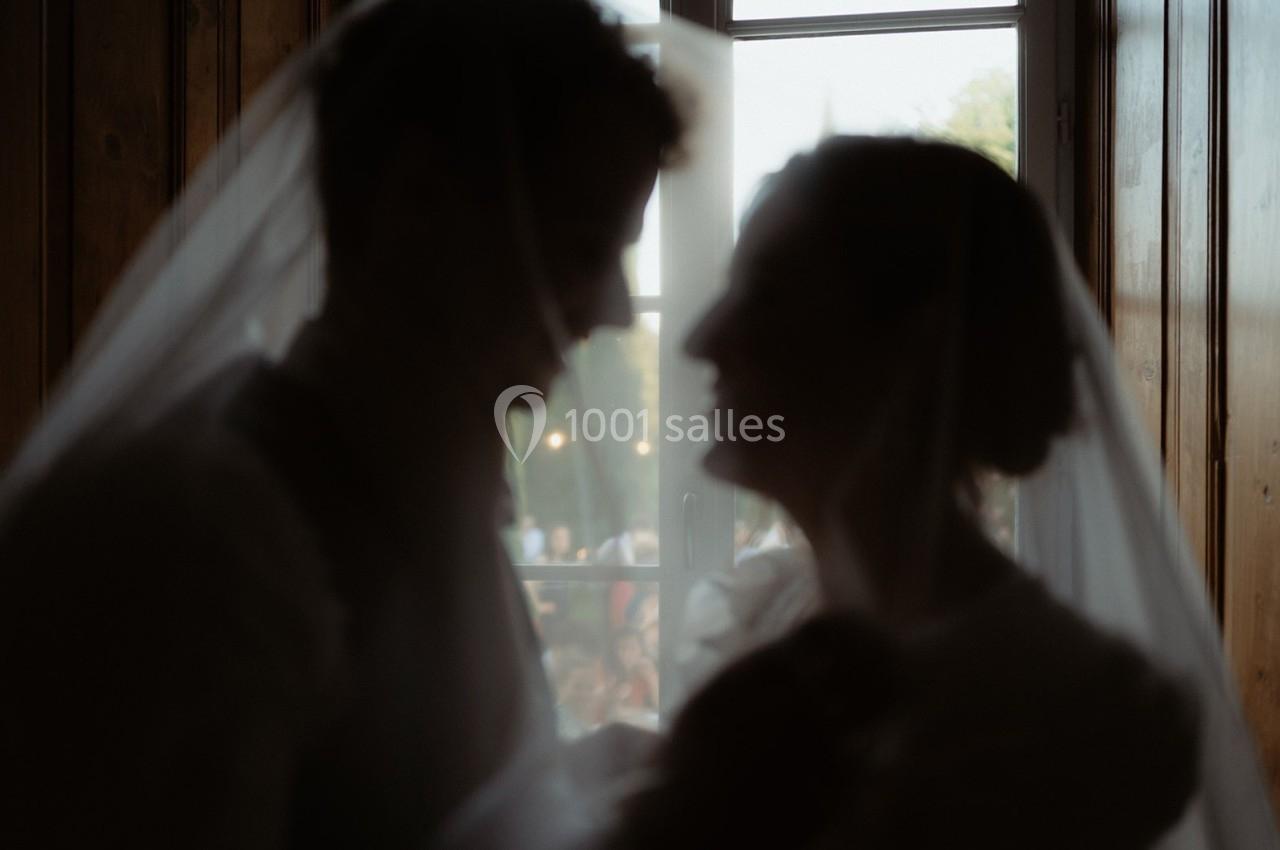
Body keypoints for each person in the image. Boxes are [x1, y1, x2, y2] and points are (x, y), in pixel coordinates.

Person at [0, 1, 682, 848]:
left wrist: (596, 783)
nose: (615, 312)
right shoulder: (194, 538)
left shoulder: (421, 497)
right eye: (583, 249)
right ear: (418, 203)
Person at [609, 138, 1204, 849]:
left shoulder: (1072, 708)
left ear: (911, 353)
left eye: (764, 294)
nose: (702, 340)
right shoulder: (760, 611)